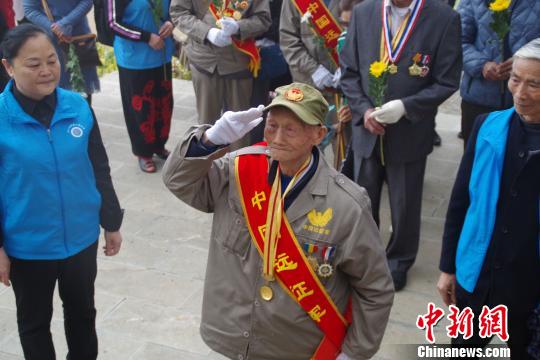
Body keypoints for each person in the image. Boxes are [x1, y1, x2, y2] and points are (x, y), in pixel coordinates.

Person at [162, 82, 394, 360]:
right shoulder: (238, 171)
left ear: (318, 134)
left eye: (291, 129)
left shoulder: (348, 205)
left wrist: (354, 353)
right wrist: (210, 140)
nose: (278, 138)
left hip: (297, 348)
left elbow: (375, 289)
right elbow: (177, 181)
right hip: (233, 336)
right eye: (272, 126)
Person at [0, 24, 123, 359]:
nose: (46, 70)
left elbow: (99, 166)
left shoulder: (78, 106)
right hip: (29, 246)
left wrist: (111, 221)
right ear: (9, 67)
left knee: (83, 315)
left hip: (81, 239)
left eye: (51, 60)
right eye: (33, 63)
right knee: (35, 323)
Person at [339, 0, 462, 291]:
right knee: (362, 197)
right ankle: (363, 256)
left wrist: (406, 107)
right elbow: (349, 72)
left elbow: (447, 81)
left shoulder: (443, 18)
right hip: (367, 128)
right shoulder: (364, 12)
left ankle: (399, 261)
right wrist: (363, 110)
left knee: (405, 202)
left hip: (410, 130)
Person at [437, 38, 540, 360]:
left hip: (528, 284)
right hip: (476, 272)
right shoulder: (488, 126)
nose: (520, 93)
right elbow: (459, 202)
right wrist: (447, 268)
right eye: (515, 79)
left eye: (534, 84)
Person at [170, 0, 271, 146]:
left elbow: (263, 19)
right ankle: (205, 166)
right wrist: (207, 32)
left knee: (240, 126)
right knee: (206, 126)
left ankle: (238, 166)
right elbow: (178, 12)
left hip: (238, 62)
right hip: (204, 60)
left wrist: (238, 27)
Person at [456, 0, 540, 148]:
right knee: (477, 156)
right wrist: (481, 65)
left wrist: (525, 61)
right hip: (479, 96)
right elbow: (456, 39)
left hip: (528, 101)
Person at [280, 0, 353, 165]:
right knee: (303, 148)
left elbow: (364, 33)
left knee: (343, 151)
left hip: (343, 89)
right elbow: (288, 41)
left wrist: (349, 65)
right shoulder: (292, 2)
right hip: (307, 87)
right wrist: (313, 69)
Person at [107, 0, 175, 173]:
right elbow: (113, 22)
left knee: (164, 104)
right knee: (140, 109)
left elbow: (176, 10)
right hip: (134, 58)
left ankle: (159, 145)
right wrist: (147, 37)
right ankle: (143, 153)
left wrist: (170, 23)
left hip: (162, 54)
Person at [23, 0, 101, 102]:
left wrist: (65, 23)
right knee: (56, 90)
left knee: (83, 89)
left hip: (79, 37)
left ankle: (85, 116)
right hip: (52, 41)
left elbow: (87, 2)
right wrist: (55, 28)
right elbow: (30, 10)